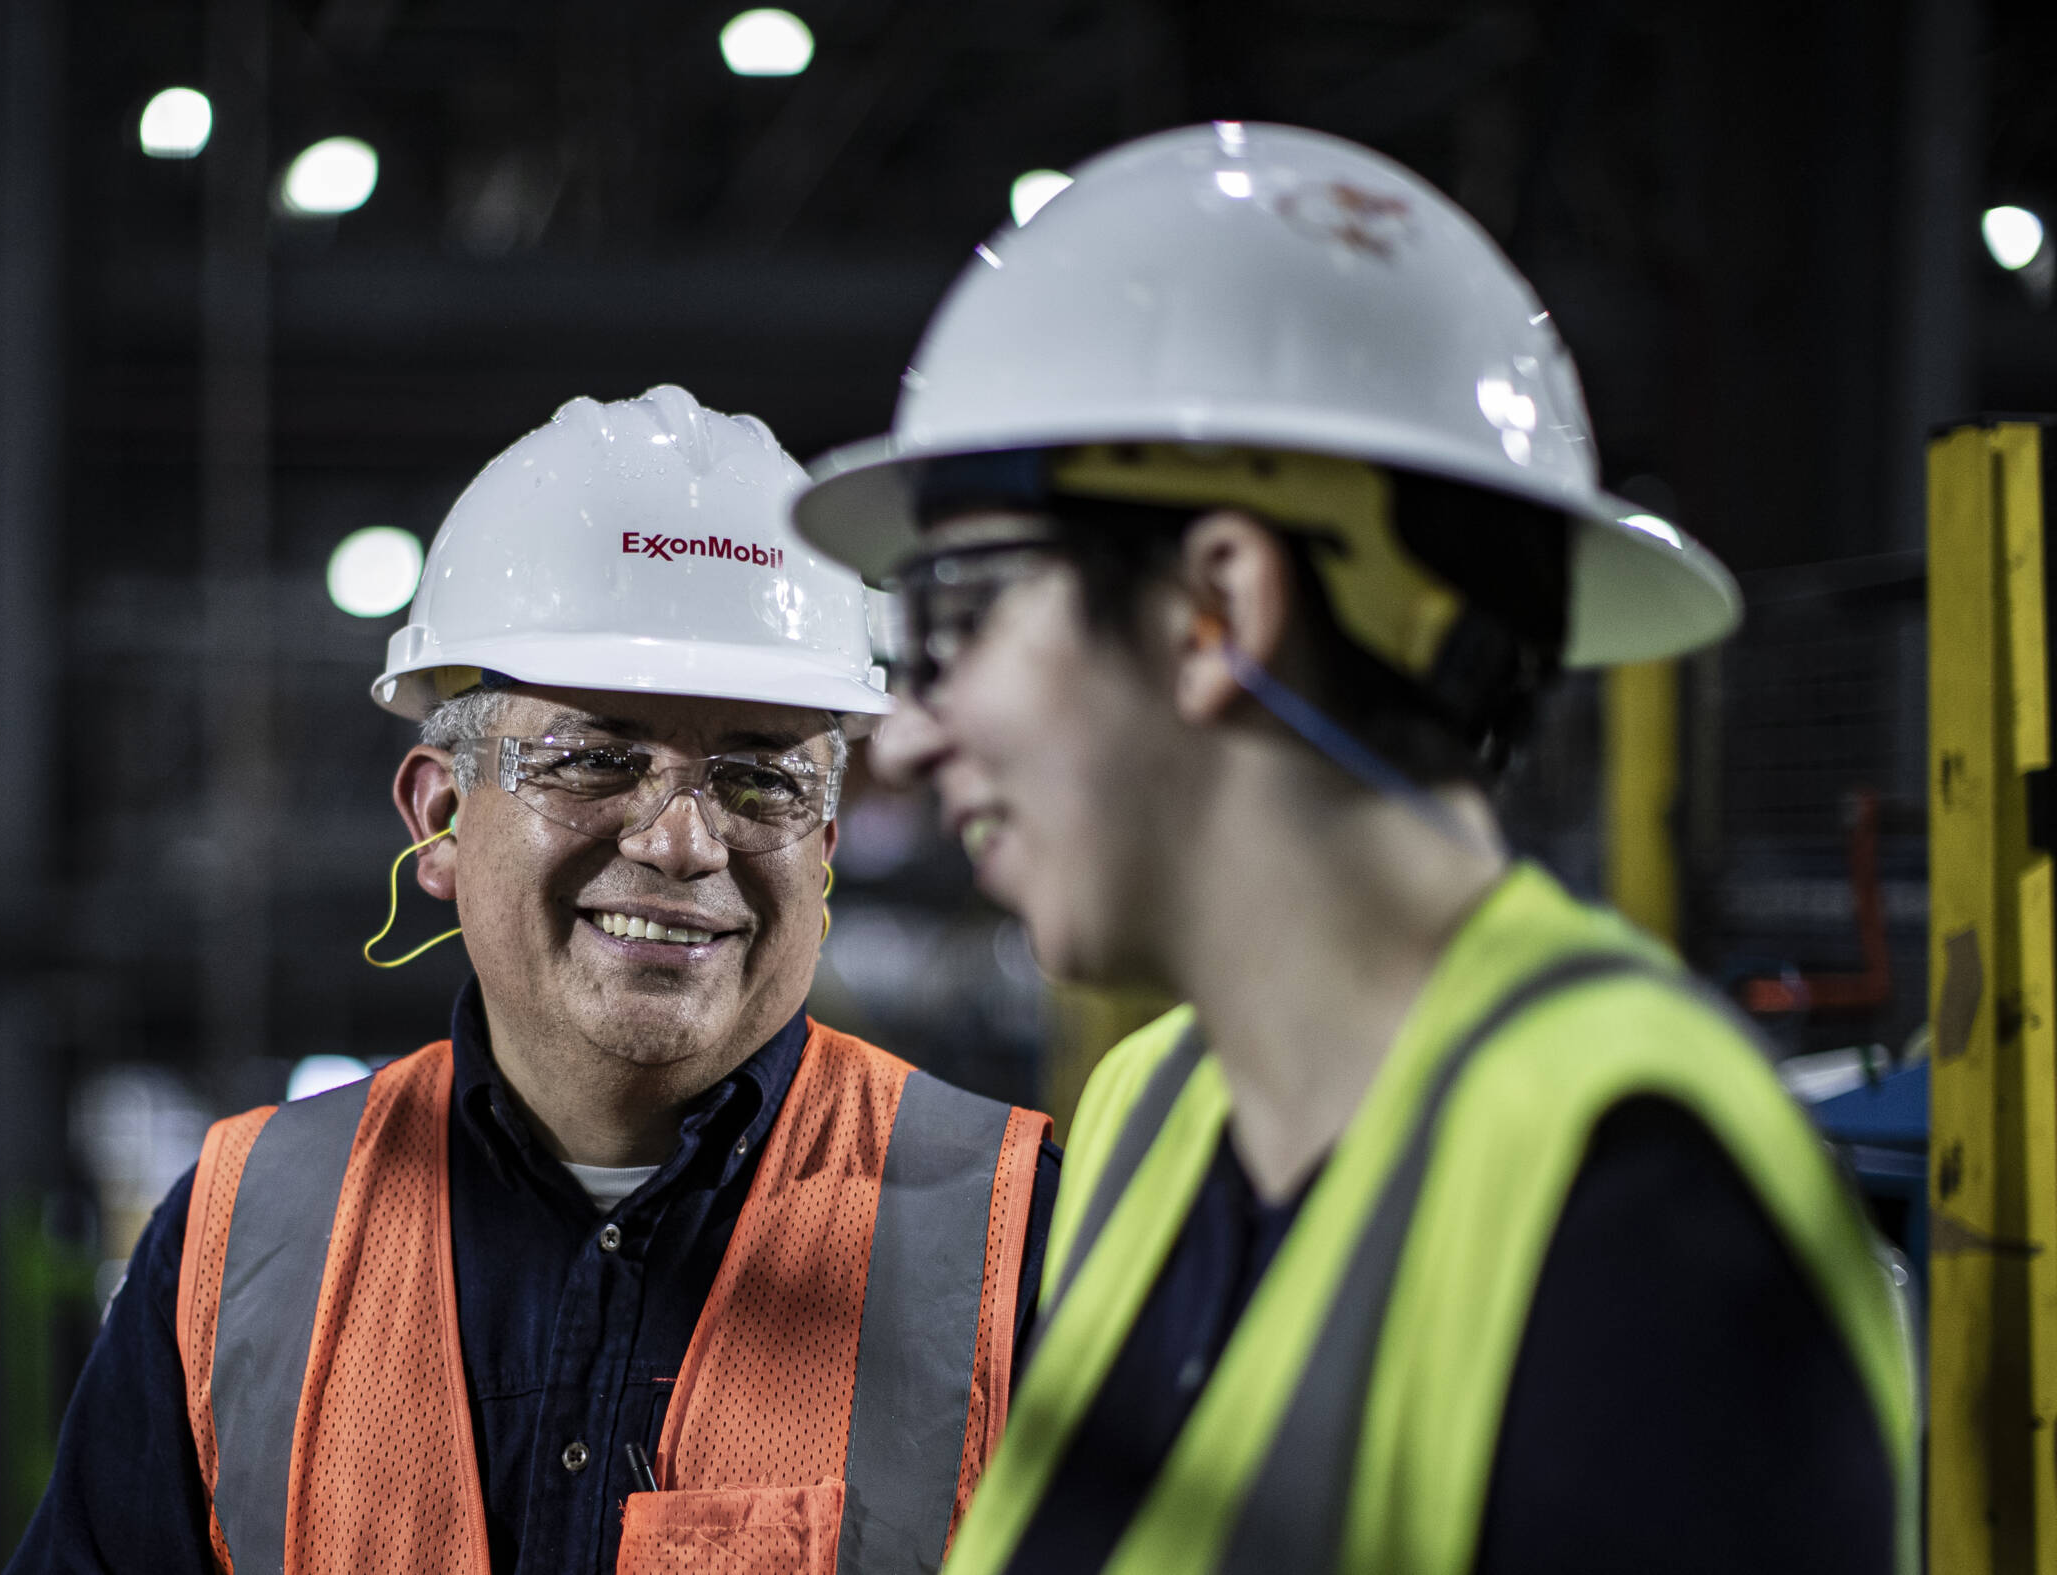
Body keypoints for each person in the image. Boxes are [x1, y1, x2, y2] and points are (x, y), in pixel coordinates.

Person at [790, 126, 1915, 1574]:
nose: (922, 730)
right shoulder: (1154, 1116)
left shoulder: (1646, 1199)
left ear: (1219, 608)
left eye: (959, 615)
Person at [10, 385, 1057, 1575]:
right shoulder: (243, 1237)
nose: (680, 841)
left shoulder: (1016, 1240)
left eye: (761, 780)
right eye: (597, 759)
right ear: (441, 816)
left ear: (822, 845)